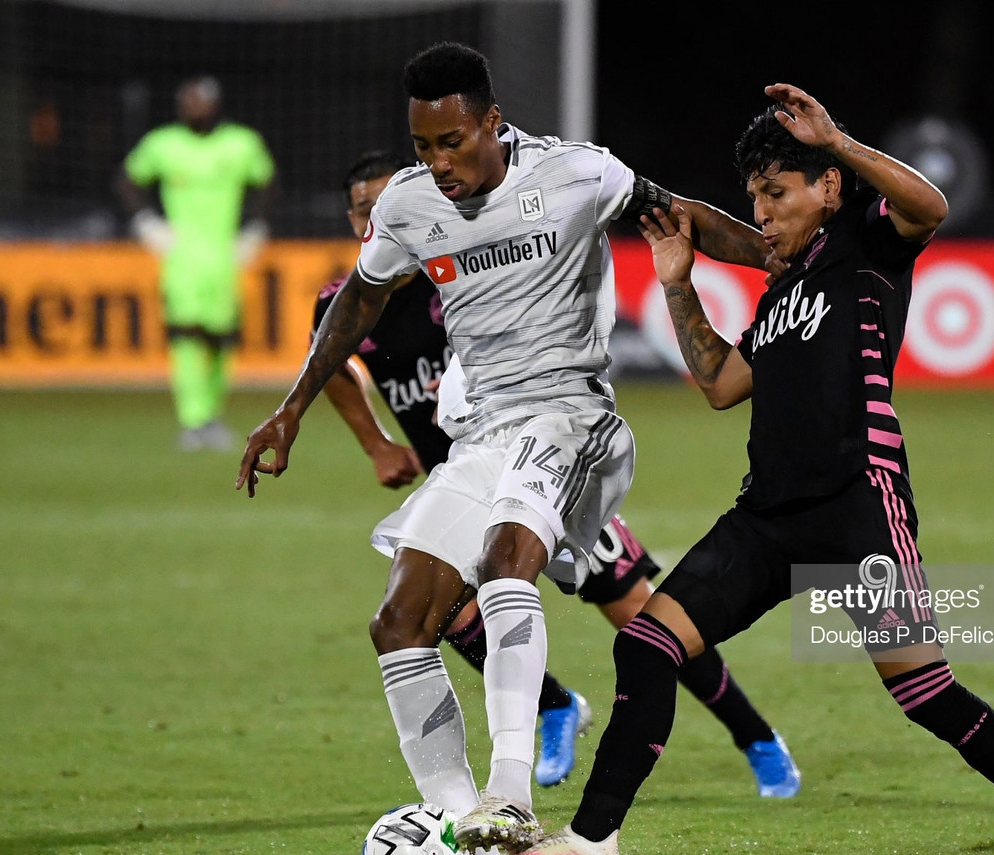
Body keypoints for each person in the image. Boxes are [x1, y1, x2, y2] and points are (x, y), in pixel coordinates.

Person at [481, 84, 994, 855]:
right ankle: (591, 843)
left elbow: (933, 204)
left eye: (777, 193)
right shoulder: (782, 288)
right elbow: (718, 383)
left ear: (829, 188)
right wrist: (679, 282)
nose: (763, 212)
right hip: (768, 517)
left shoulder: (868, 245)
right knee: (646, 643)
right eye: (755, 197)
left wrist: (840, 140)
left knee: (924, 694)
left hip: (858, 505)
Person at [236, 42, 776, 855]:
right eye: (423, 146)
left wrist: (783, 256)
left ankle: (510, 797)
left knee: (505, 557)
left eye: (451, 142)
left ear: (491, 122)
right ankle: (465, 832)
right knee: (398, 622)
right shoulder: (411, 205)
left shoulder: (576, 175)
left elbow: (683, 215)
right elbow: (358, 300)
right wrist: (291, 408)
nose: (437, 162)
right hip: (484, 434)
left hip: (572, 419)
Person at [320, 148, 800, 795]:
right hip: (463, 483)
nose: (378, 220)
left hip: (544, 469)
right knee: (442, 612)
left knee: (636, 610)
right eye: (363, 212)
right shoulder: (350, 300)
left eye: (385, 205)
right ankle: (552, 707)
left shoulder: (455, 270)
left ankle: (756, 737)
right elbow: (329, 365)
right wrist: (376, 443)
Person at [117, 75, 277, 451]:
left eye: (201, 102)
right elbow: (126, 181)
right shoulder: (163, 144)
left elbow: (267, 184)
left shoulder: (241, 143)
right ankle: (192, 418)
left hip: (226, 255)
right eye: (188, 102)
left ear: (216, 104)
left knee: (221, 338)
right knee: (185, 334)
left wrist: (254, 228)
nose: (195, 109)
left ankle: (211, 415)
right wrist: (145, 222)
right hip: (182, 256)